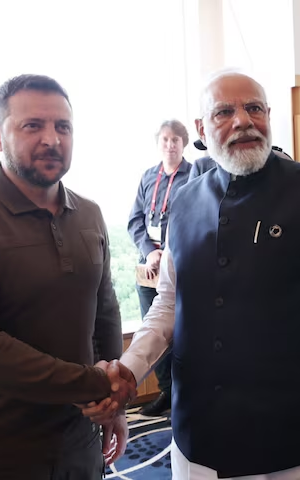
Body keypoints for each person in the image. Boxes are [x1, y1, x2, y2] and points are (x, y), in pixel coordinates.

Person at [84, 71, 300, 479]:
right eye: (224, 112)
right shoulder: (184, 202)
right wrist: (130, 369)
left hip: (295, 442)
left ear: (269, 116)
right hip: (198, 439)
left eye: (254, 108)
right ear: (201, 129)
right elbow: (169, 305)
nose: (243, 120)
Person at [0, 74, 136, 480]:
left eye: (63, 127)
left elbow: (104, 311)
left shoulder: (89, 214)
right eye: (32, 126)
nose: (52, 139)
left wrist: (114, 405)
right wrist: (93, 384)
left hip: (80, 442)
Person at [127, 119, 192, 416]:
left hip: (177, 265)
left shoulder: (194, 176)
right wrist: (149, 252)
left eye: (175, 139)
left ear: (184, 143)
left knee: (179, 331)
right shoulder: (148, 177)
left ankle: (184, 393)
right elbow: (135, 221)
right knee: (151, 328)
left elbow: (192, 219)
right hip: (149, 267)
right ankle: (167, 391)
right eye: (165, 139)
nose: (170, 144)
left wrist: (166, 253)